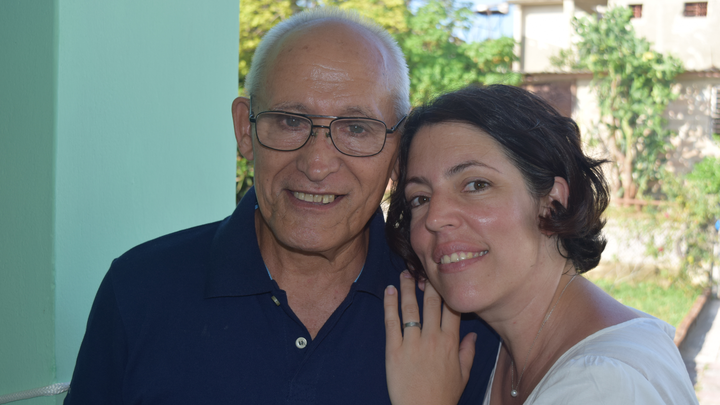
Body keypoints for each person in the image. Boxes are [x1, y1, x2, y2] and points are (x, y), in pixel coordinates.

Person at [63, 8, 499, 404]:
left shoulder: (456, 314)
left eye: (356, 128)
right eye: (290, 121)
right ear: (245, 130)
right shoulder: (140, 291)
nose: (317, 165)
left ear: (399, 152)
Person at [383, 85, 698, 404]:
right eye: (420, 198)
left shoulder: (603, 386)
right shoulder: (506, 351)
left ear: (552, 202)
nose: (435, 218)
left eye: (476, 185)